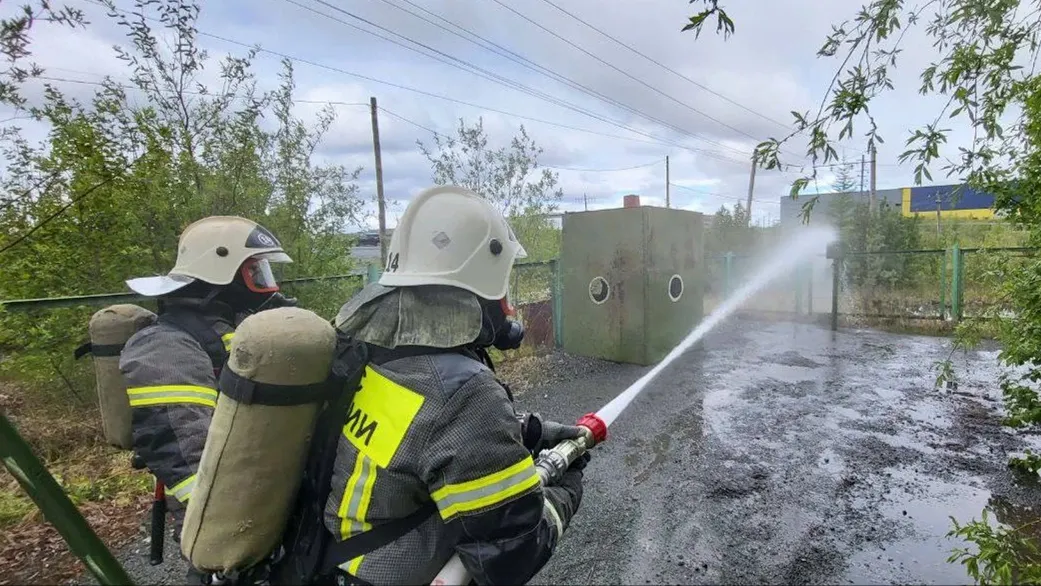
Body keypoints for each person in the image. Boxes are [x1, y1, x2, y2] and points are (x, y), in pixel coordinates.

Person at [321, 185, 587, 585]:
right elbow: (514, 548)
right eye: (501, 285)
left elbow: (422, 434)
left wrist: (532, 432)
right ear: (478, 286)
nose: (507, 306)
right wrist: (566, 489)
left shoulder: (372, 351)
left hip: (336, 561)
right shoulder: (464, 391)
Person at [119, 215, 295, 529]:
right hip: (223, 513)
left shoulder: (231, 325)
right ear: (222, 273)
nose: (266, 284)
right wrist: (231, 520)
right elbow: (183, 445)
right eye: (255, 272)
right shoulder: (166, 346)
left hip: (263, 486)